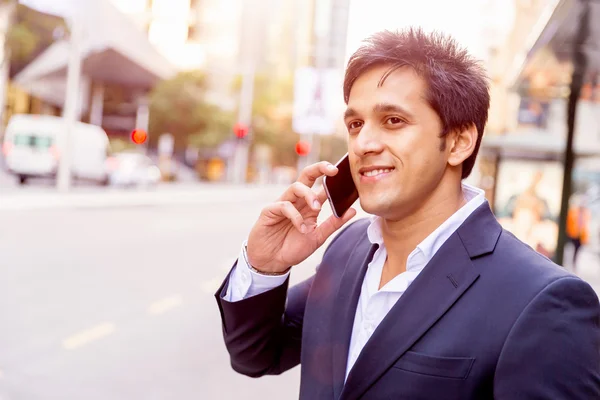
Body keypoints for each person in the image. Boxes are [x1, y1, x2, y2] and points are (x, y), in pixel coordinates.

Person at [214, 28, 600, 399]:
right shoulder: (345, 249)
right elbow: (256, 355)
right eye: (355, 123)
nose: (363, 143)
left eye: (393, 121)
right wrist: (264, 266)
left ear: (459, 142)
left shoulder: (544, 301)